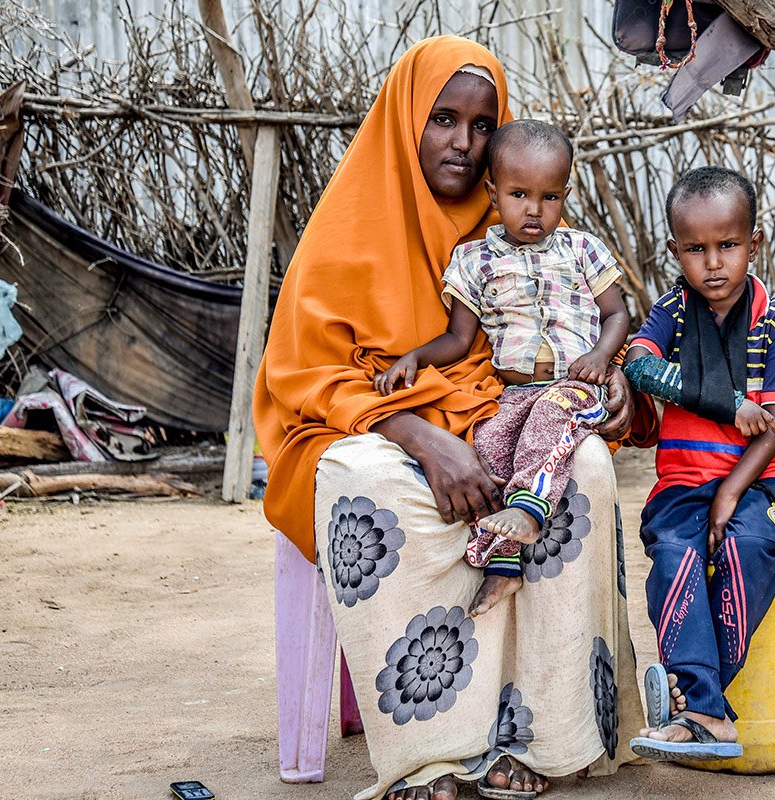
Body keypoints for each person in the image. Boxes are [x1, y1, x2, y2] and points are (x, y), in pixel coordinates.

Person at [254, 37, 643, 800]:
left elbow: (561, 333)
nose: (462, 144)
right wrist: (420, 435)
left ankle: (542, 738)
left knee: (584, 468)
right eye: (442, 119)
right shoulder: (347, 227)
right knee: (367, 482)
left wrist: (615, 373)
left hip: (489, 411)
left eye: (479, 123)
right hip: (358, 425)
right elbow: (305, 374)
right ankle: (433, 754)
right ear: (407, 120)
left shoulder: (508, 225)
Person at [374, 118, 630, 617]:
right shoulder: (473, 260)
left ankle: (531, 514)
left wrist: (601, 356)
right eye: (518, 194)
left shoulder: (581, 249)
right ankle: (503, 563)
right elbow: (457, 339)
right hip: (512, 392)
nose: (534, 210)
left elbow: (617, 313)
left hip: (573, 387)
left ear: (565, 194)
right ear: (492, 192)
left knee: (548, 421)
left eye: (549, 197)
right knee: (489, 446)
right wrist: (414, 358)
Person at [622, 166, 775, 761]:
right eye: (696, 249)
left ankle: (696, 706)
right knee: (677, 554)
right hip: (681, 483)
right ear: (675, 251)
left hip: (765, 480)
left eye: (728, 245)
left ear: (753, 243)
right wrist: (728, 405)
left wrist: (732, 492)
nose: (713, 263)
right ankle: (707, 713)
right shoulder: (673, 313)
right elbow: (638, 366)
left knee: (745, 544)